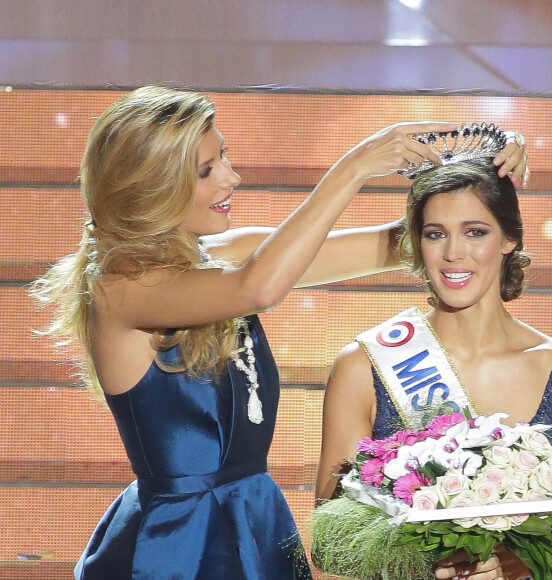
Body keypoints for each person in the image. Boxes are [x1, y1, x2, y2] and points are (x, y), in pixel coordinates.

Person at [31, 86, 526, 580]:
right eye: (207, 170)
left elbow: (405, 245)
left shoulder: (226, 257)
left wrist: (486, 160)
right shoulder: (120, 291)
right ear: (151, 187)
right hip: (175, 545)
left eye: (223, 156)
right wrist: (355, 166)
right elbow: (260, 287)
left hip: (256, 525)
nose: (232, 177)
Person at [315, 127, 552, 580]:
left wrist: (511, 565)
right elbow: (331, 548)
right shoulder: (363, 366)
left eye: (475, 231)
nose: (454, 253)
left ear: (509, 239)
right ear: (416, 244)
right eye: (436, 234)